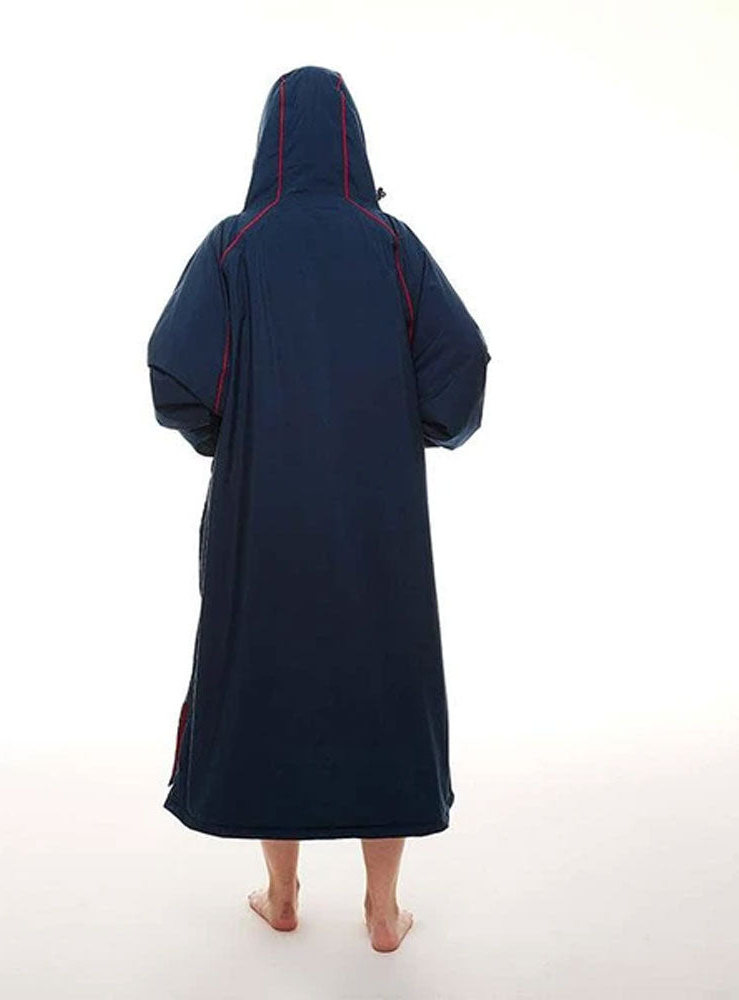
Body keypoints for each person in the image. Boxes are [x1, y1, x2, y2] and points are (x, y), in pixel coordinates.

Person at [146, 65, 490, 952]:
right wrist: (405, 428)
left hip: (264, 514)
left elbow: (175, 370)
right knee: (384, 683)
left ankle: (282, 893)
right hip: (379, 518)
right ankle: (382, 911)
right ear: (353, 142)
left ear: (270, 142)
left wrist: (233, 433)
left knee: (273, 677)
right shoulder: (392, 245)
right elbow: (461, 362)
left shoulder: (236, 244)